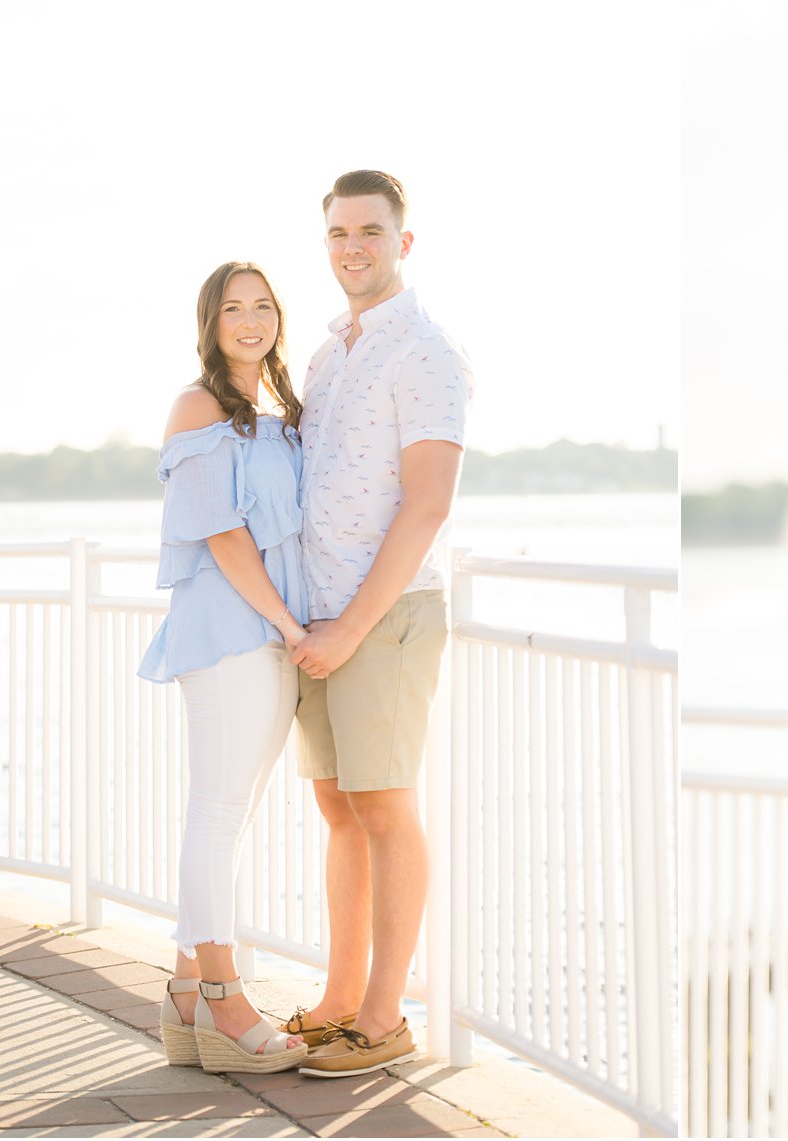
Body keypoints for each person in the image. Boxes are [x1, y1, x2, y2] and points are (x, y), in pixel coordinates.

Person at [277, 170, 472, 1078]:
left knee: (386, 807)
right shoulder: (327, 355)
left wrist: (352, 628)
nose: (351, 246)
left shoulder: (424, 353)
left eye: (369, 231)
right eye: (338, 233)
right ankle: (339, 997)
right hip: (319, 614)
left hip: (383, 616)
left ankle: (387, 1015)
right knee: (338, 807)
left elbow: (427, 506)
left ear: (403, 242)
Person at [139, 261, 309, 1073]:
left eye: (263, 306)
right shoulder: (198, 406)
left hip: (274, 635)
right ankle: (223, 1000)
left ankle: (182, 993)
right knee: (215, 811)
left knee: (230, 815)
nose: (250, 320)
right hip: (230, 630)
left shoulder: (278, 411)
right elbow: (220, 531)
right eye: (233, 309)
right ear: (210, 323)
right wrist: (285, 620)